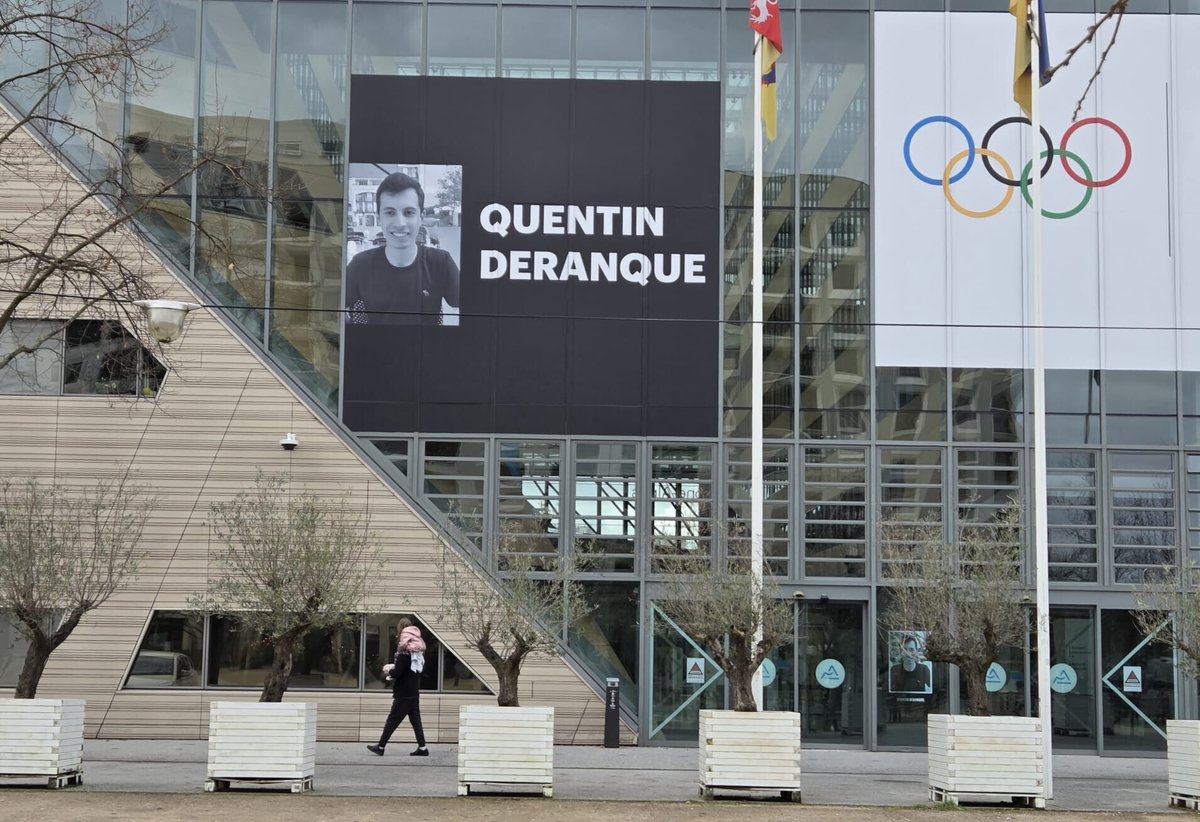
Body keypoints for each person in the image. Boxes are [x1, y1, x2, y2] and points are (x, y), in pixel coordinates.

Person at [346, 172, 460, 326]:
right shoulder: (360, 265)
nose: (400, 222)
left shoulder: (440, 262)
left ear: (421, 216)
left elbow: (476, 310)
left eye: (408, 212)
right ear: (379, 218)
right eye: (390, 212)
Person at [367, 617, 429, 757]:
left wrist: (389, 670)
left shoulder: (403, 654)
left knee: (392, 720)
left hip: (403, 693)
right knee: (415, 721)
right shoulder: (417, 654)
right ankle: (423, 748)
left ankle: (381, 746)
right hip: (414, 691)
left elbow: (397, 673)